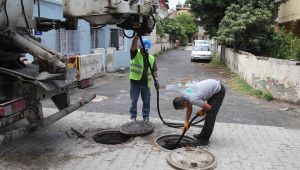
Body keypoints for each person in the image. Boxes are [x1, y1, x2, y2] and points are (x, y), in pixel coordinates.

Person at [173, 79, 226, 146]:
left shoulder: (193, 99)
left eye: (182, 108)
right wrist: (187, 121)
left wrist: (203, 111)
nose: (183, 109)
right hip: (212, 88)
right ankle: (202, 135)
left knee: (210, 116)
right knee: (208, 113)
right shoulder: (184, 94)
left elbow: (209, 108)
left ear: (185, 103)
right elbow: (189, 107)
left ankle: (204, 140)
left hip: (218, 91)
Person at [129, 35, 159, 122]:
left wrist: (156, 80)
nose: (144, 51)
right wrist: (137, 35)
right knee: (134, 101)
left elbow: (154, 70)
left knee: (146, 101)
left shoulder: (151, 58)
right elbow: (133, 44)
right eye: (143, 49)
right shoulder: (135, 54)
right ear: (140, 47)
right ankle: (133, 116)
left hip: (146, 83)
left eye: (145, 49)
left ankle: (146, 117)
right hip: (135, 83)